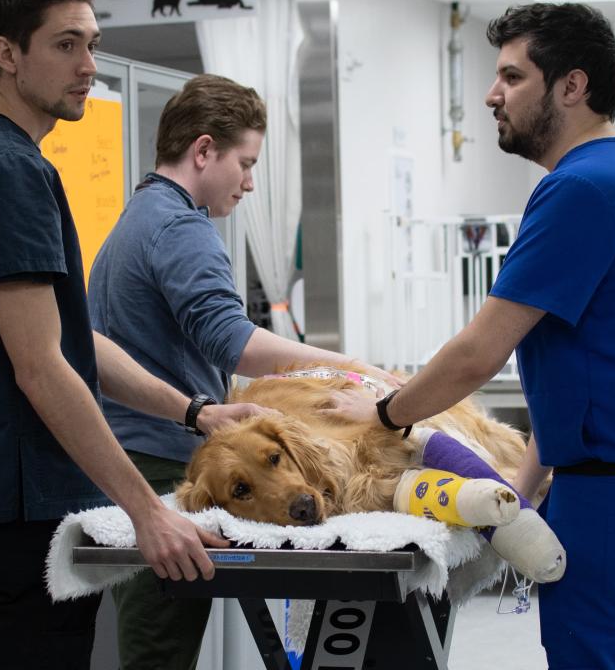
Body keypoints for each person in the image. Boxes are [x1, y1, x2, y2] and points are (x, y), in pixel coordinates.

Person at [324, 3, 615, 670]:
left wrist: (383, 414)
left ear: (572, 86)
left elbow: (479, 351)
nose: (492, 95)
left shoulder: (581, 189)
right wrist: (527, 477)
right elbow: (594, 362)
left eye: (512, 77)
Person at [0, 0, 266, 670]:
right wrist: (146, 509)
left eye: (91, 44)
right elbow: (41, 368)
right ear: (8, 54)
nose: (88, 67)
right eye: (66, 45)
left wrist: (194, 413)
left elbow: (64, 338)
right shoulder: (10, 173)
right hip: (13, 511)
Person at [89, 73, 401, 670]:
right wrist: (354, 368)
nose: (251, 182)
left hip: (135, 453)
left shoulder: (136, 220)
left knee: (154, 640)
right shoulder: (181, 227)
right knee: (159, 647)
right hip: (165, 460)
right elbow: (233, 342)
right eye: (246, 162)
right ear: (204, 151)